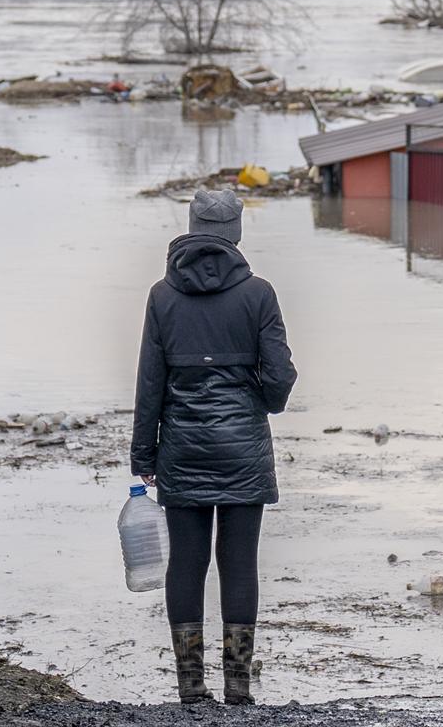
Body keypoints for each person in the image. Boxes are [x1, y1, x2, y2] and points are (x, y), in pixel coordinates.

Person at [130, 189, 297, 704]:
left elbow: (150, 382)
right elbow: (280, 375)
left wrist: (143, 455)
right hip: (242, 447)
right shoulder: (259, 294)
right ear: (237, 233)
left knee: (186, 563)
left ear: (191, 226)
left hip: (181, 448)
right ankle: (239, 688)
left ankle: (191, 688)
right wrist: (261, 403)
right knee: (239, 563)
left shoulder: (162, 295)